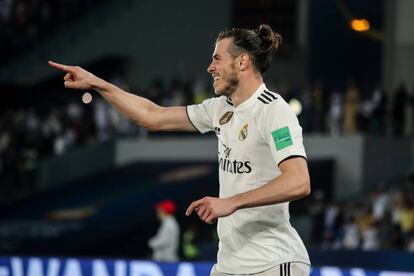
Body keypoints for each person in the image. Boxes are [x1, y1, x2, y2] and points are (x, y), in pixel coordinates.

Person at [49, 24, 311, 275]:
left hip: (273, 263)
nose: (210, 68)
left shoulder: (273, 110)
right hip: (229, 266)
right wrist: (98, 83)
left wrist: (231, 202)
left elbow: (298, 181)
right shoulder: (219, 109)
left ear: (242, 62)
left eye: (217, 59)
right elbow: (152, 116)